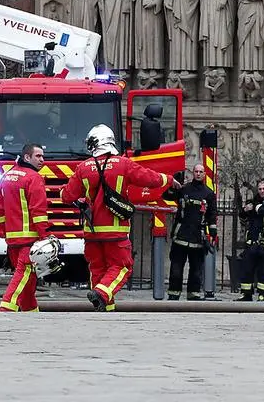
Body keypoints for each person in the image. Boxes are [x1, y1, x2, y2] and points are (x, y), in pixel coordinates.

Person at [61, 124, 179, 311]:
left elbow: (67, 196)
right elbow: (148, 178)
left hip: (91, 232)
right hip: (115, 230)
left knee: (97, 269)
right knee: (122, 266)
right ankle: (102, 293)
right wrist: (169, 179)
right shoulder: (123, 164)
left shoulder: (83, 168)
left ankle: (105, 308)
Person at [0, 143, 49, 312]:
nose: (42, 160)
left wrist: (5, 232)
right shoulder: (33, 178)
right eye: (38, 156)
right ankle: (6, 309)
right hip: (29, 240)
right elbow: (38, 212)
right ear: (26, 157)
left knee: (29, 283)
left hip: (13, 240)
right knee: (23, 275)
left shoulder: (8, 176)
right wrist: (45, 236)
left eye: (42, 156)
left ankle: (32, 314)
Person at [163, 164, 218, 300]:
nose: (198, 174)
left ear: (204, 174)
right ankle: (173, 294)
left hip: (197, 236)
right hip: (181, 234)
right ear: (193, 173)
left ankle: (193, 294)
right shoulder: (183, 189)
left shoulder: (209, 194)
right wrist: (173, 185)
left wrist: (212, 232)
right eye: (196, 171)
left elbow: (212, 214)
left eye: (201, 172)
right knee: (176, 267)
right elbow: (167, 197)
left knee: (196, 268)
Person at [236, 178, 264, 301]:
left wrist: (253, 207)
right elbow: (244, 217)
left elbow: (262, 210)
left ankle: (263, 294)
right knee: (247, 268)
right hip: (252, 241)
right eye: (260, 189)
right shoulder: (254, 200)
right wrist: (245, 210)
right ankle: (246, 294)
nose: (262, 191)